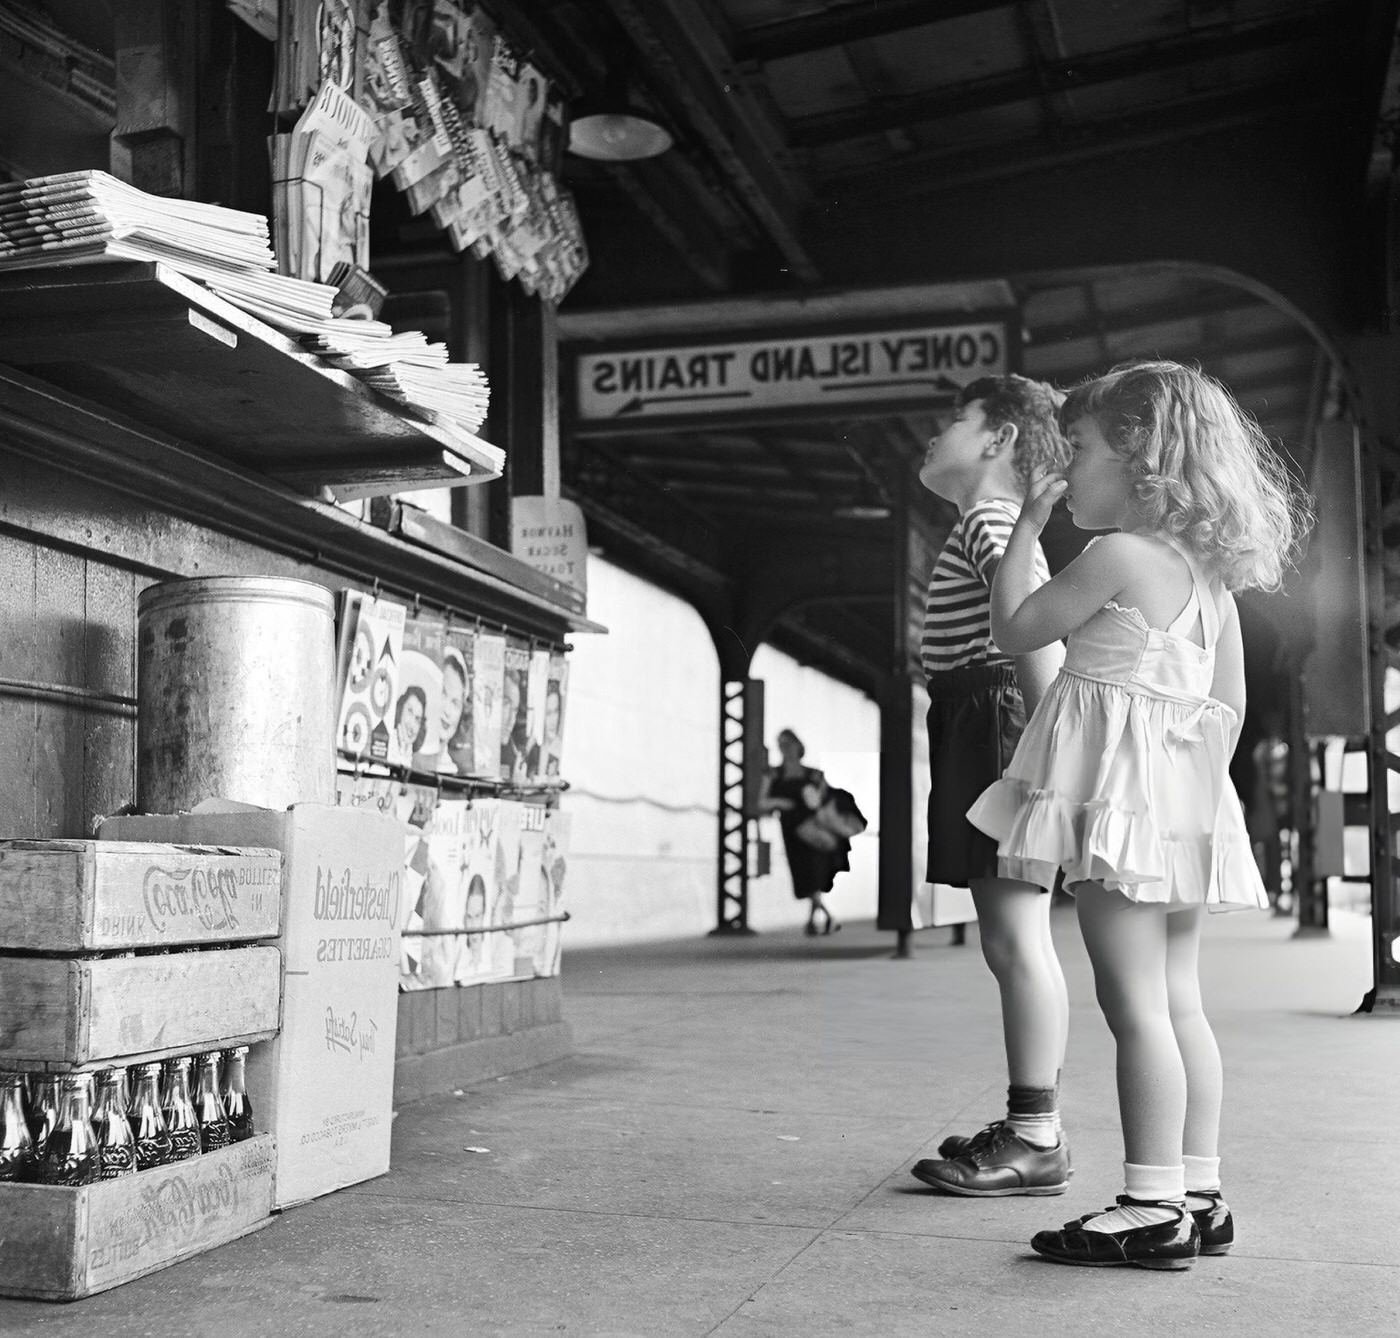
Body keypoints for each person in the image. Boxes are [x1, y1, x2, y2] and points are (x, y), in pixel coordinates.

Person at [966, 359, 1307, 1269]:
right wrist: (1178, 795)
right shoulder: (1211, 584)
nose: (1066, 467)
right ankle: (1202, 1191)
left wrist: (1027, 526)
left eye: (1077, 449)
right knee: (1181, 1004)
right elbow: (1225, 709)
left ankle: (1149, 1204)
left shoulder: (1117, 555)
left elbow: (1017, 631)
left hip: (1123, 820)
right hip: (1183, 811)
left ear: (1138, 454)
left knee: (1134, 1011)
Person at [909, 374, 1073, 1200]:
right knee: (1011, 937)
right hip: (985, 717)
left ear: (1000, 439)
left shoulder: (991, 520)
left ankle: (1035, 1135)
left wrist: (1049, 762)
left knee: (1015, 937)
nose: (936, 434)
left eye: (956, 419)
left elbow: (1035, 641)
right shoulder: (990, 524)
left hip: (1000, 718)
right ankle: (1031, 1125)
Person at [757, 729, 848, 935]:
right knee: (804, 874)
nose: (785, 749)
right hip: (792, 829)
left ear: (798, 747)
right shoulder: (773, 774)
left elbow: (821, 802)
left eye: (788, 744)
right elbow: (761, 801)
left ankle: (819, 919)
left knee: (814, 874)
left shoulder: (813, 775)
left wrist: (814, 798)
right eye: (781, 745)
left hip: (813, 828)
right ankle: (822, 918)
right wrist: (781, 802)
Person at [393, 685, 428, 762]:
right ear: (400, 709)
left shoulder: (414, 759)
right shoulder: (386, 745)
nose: (412, 725)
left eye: (417, 719)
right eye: (410, 712)